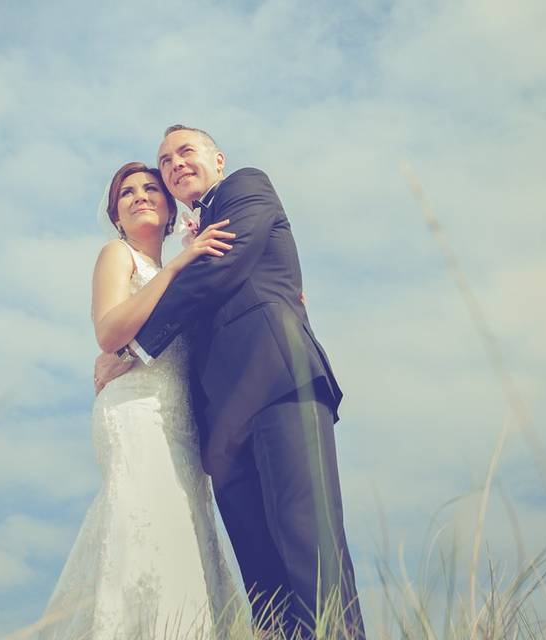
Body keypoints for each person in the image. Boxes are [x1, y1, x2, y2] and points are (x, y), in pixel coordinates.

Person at [94, 126, 366, 639]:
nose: (174, 164)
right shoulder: (187, 244)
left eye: (185, 152)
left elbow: (218, 271)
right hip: (219, 428)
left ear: (217, 159)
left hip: (279, 384)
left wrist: (134, 349)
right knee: (261, 577)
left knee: (309, 543)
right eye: (165, 160)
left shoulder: (246, 188)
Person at [33, 162, 252, 639]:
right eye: (126, 193)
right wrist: (175, 265)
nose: (139, 196)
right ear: (116, 216)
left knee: (183, 539)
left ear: (171, 207)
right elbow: (109, 332)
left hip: (183, 426)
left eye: (150, 188)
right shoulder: (120, 256)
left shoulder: (191, 270)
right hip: (134, 412)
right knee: (144, 530)